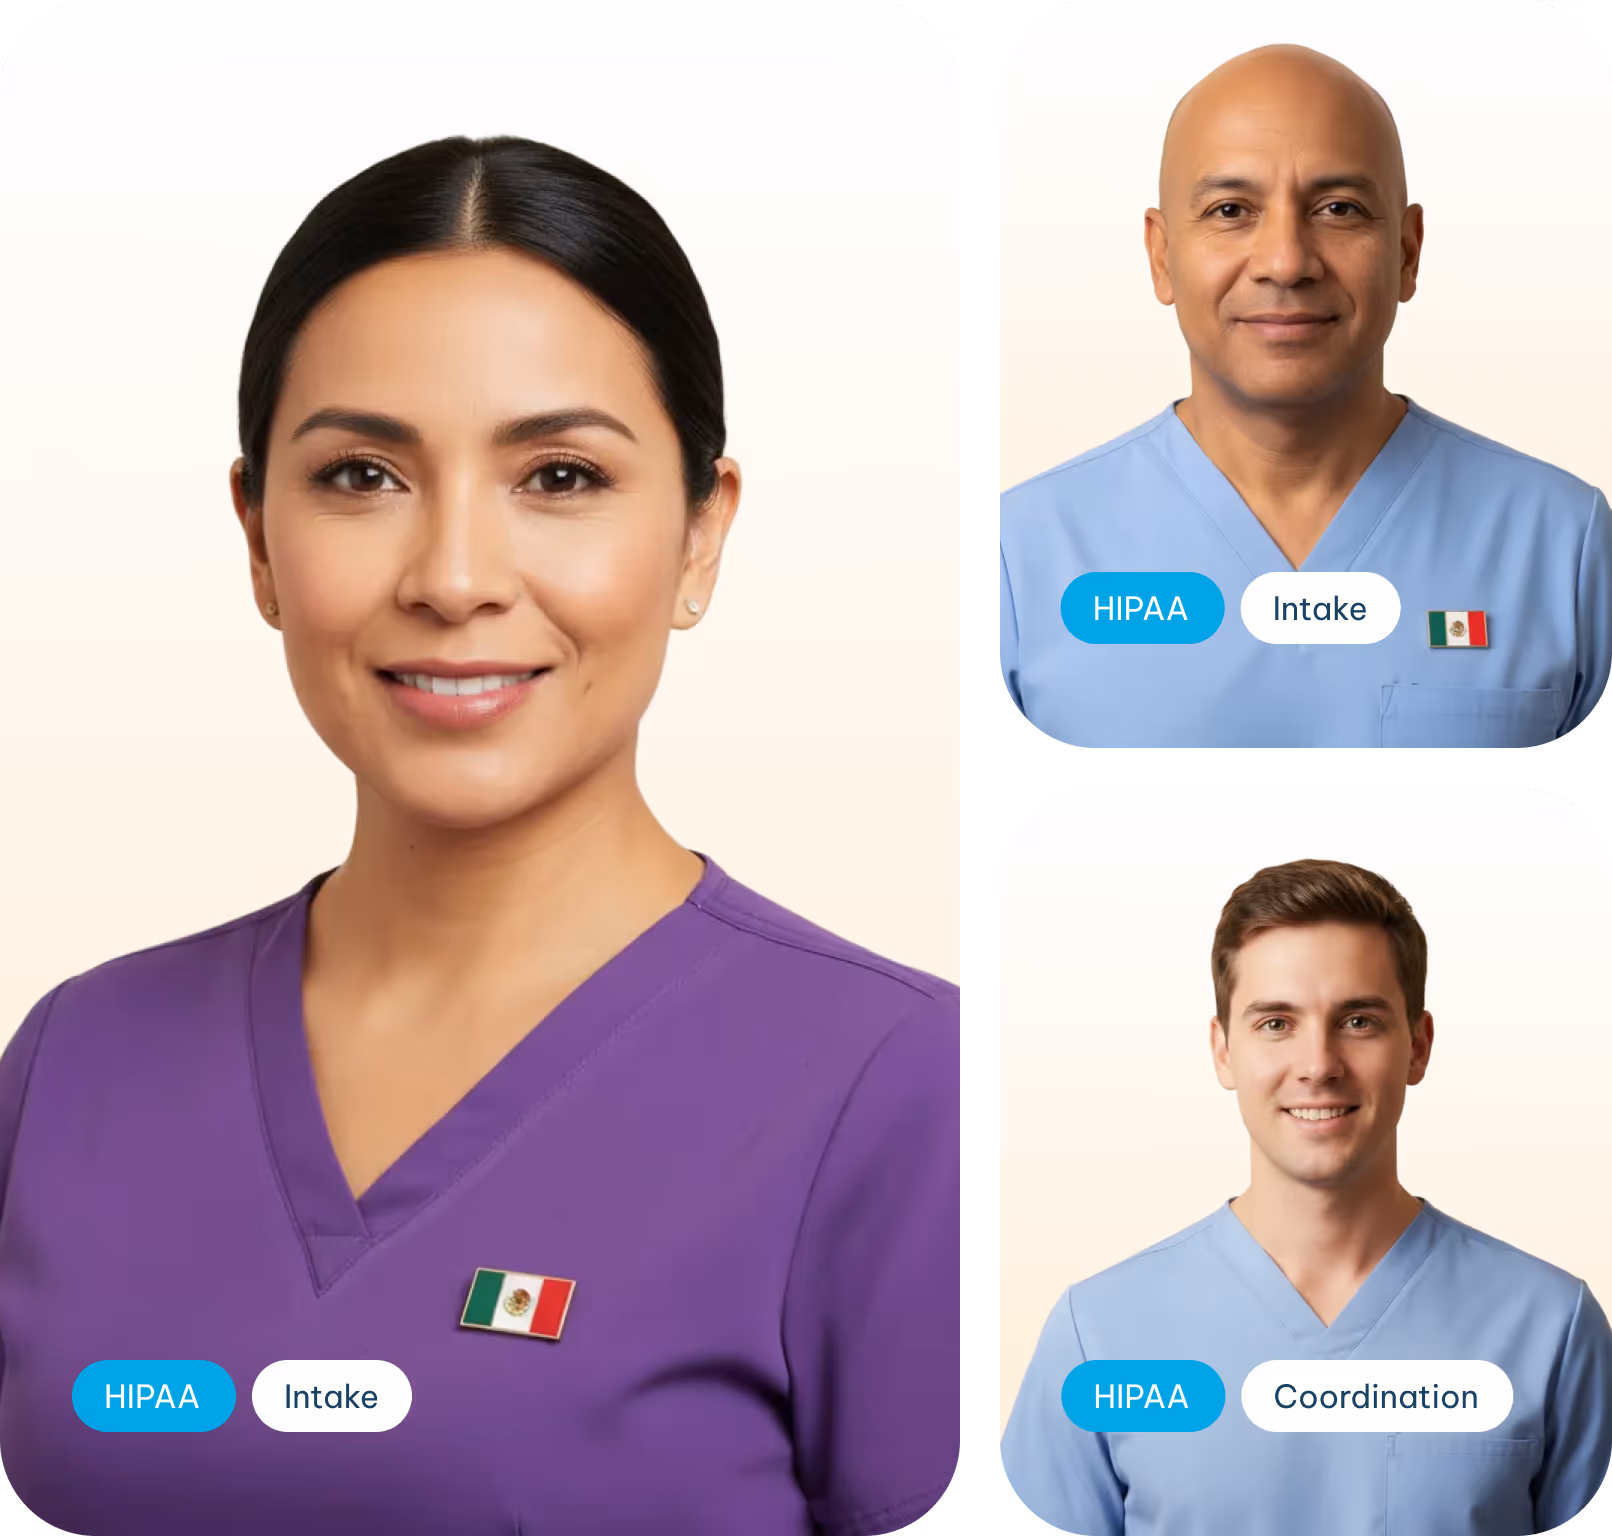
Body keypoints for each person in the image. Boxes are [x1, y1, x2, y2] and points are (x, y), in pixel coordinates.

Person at [0, 136, 958, 1536]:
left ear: (700, 536)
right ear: (258, 538)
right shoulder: (71, 1064)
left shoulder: (897, 1092)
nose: (453, 577)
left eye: (559, 477)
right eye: (361, 478)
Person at [999, 43, 1612, 746]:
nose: (1286, 261)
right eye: (1231, 210)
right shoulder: (1020, 556)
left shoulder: (1566, 544)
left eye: (1339, 209)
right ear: (1161, 256)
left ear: (1407, 253)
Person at [1001, 858, 1611, 1533]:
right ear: (1223, 1051)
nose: (1318, 1065)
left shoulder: (1551, 1327)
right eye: (1275, 1023)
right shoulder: (1099, 1337)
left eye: (1358, 1021)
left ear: (1418, 1045)